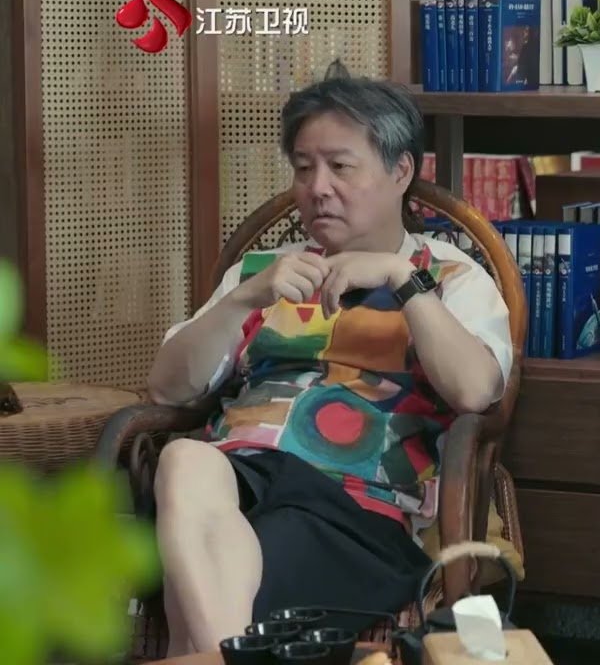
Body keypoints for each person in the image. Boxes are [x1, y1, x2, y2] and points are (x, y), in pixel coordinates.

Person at [145, 72, 513, 657]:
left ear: (400, 171)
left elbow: (475, 391)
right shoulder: (262, 272)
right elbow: (167, 389)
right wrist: (243, 298)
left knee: (198, 581)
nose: (317, 188)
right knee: (185, 458)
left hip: (355, 507)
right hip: (238, 479)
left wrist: (401, 281)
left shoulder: (447, 277)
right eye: (303, 167)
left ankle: (210, 651)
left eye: (340, 166)